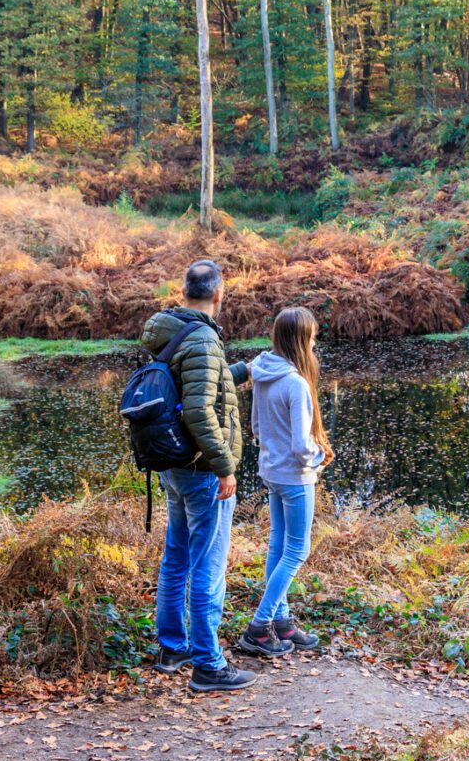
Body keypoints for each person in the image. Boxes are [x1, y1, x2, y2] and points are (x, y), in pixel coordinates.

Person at [141, 259, 254, 693]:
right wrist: (225, 466)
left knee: (177, 557)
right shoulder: (204, 340)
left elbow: (194, 387)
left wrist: (242, 372)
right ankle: (209, 664)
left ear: (184, 290)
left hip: (173, 465)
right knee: (209, 564)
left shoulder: (168, 329)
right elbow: (198, 410)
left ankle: (173, 647)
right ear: (219, 293)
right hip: (201, 469)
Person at [236, 307, 334, 658]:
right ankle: (259, 627)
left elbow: (257, 429)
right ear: (301, 340)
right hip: (294, 477)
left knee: (278, 546)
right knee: (297, 550)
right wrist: (317, 457)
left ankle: (283, 621)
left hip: (271, 471)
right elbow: (299, 445)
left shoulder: (263, 373)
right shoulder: (295, 383)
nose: (313, 343)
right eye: (311, 338)